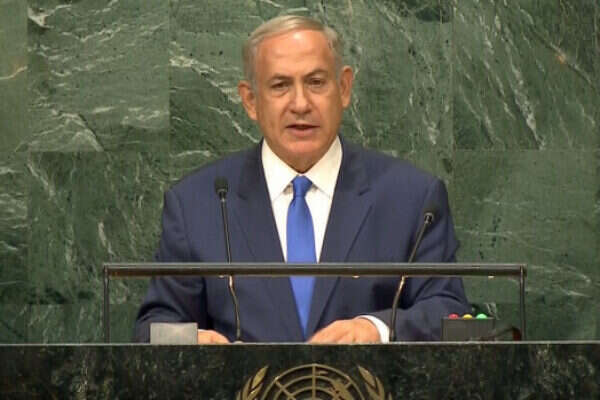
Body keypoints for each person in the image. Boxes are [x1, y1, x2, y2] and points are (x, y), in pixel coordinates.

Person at [134, 15, 470, 344]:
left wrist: (377, 330)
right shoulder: (197, 204)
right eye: (280, 85)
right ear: (250, 100)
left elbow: (450, 313)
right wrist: (190, 341)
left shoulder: (411, 198)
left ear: (344, 88)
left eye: (316, 82)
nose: (300, 104)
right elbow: (151, 330)